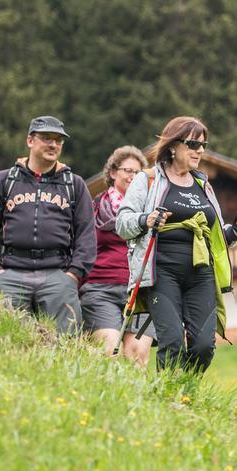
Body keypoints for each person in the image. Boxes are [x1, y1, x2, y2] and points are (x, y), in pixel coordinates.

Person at [115, 116, 237, 373]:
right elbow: (122, 223)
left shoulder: (203, 185)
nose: (200, 150)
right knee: (172, 343)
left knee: (204, 346)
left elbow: (214, 237)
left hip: (201, 275)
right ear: (173, 146)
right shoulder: (147, 180)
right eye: (192, 144)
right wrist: (146, 219)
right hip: (161, 273)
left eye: (203, 144)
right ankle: (166, 401)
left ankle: (185, 393)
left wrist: (236, 230)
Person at [0, 115, 96, 335]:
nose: (53, 144)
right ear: (30, 141)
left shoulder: (74, 184)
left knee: (66, 343)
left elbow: (86, 234)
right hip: (11, 273)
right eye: (46, 138)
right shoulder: (5, 181)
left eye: (58, 140)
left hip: (58, 274)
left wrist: (74, 274)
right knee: (3, 338)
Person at [81, 145, 154, 364]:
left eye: (137, 172)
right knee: (109, 351)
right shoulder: (93, 208)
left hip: (140, 292)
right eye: (127, 170)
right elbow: (82, 249)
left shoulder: (153, 209)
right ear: (113, 173)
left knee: (138, 354)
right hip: (101, 289)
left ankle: (138, 399)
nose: (133, 176)